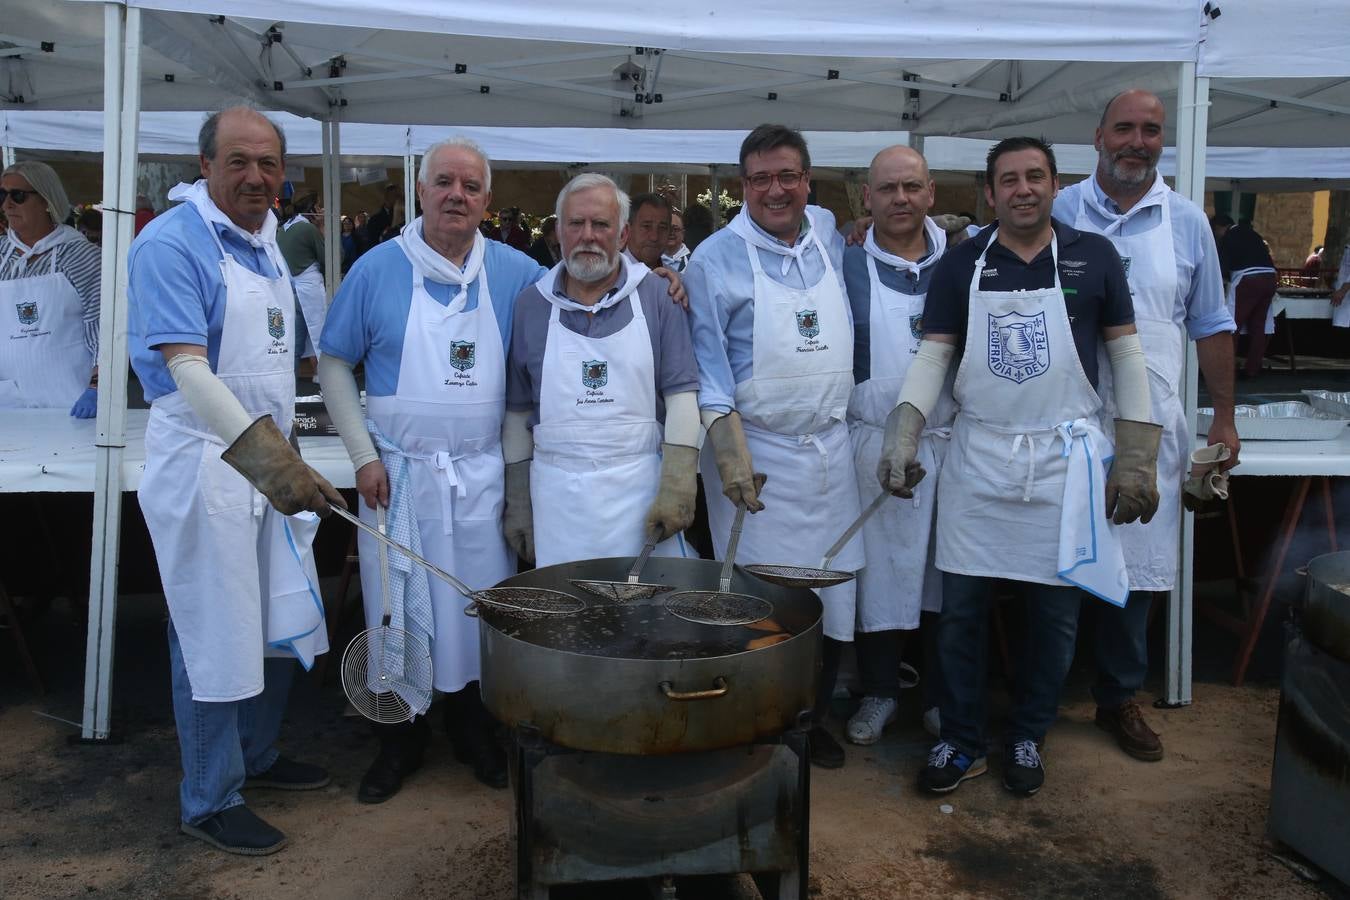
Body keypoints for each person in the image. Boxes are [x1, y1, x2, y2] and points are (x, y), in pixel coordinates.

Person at [893, 136, 1160, 797]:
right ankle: (959, 739)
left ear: (1053, 184)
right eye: (1008, 179)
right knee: (960, 614)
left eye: (1033, 177)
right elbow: (934, 357)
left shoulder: (1093, 257)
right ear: (990, 193)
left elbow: (1126, 357)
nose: (1022, 189)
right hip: (979, 459)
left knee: (1054, 615)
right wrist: (903, 433)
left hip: (1064, 460)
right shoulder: (962, 264)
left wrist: (1136, 455)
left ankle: (1028, 735)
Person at [128, 107, 344, 856]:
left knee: (275, 614)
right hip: (206, 469)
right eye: (239, 161)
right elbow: (188, 369)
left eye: (270, 164)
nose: (256, 176)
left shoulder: (268, 244)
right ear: (206, 164)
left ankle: (258, 757)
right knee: (211, 631)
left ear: (285, 173)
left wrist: (286, 456)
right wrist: (274, 465)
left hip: (266, 461)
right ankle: (210, 797)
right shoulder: (171, 242)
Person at [318, 138, 541, 801]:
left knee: (478, 607)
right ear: (419, 191)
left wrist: (663, 275)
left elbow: (589, 292)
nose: (456, 196)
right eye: (444, 182)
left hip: (482, 478)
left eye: (471, 187)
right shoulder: (377, 269)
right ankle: (400, 739)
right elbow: (334, 363)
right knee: (398, 609)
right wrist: (363, 456)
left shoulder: (518, 272)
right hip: (400, 479)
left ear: (488, 201)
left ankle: (475, 730)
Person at [1055, 90, 1239, 763]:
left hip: (1152, 423)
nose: (1137, 141)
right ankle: (1041, 698)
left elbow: (1213, 323)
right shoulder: (1060, 210)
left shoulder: (1186, 222)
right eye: (1125, 128)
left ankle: (1119, 696)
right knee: (1062, 565)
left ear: (1164, 141)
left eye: (1151, 131)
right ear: (1098, 135)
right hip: (1067, 421)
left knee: (1137, 569)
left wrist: (1223, 416)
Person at [685, 124, 863, 770]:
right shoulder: (712, 260)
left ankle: (811, 718)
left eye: (788, 175)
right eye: (760, 179)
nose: (775, 190)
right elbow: (708, 371)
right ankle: (762, 720)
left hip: (830, 451)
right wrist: (731, 456)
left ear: (808, 181)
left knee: (834, 588)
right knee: (760, 600)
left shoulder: (827, 231)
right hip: (755, 456)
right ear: (741, 188)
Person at [501, 174, 700, 568]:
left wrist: (679, 483)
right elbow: (518, 412)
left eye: (601, 224)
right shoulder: (530, 305)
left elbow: (682, 397)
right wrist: (518, 497)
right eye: (576, 223)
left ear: (622, 234)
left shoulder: (659, 295)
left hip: (641, 497)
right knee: (565, 620)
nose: (588, 235)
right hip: (558, 504)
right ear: (558, 231)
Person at [841, 145, 953, 747]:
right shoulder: (843, 263)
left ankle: (938, 697)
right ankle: (880, 690)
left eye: (912, 187)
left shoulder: (962, 262)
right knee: (880, 572)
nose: (901, 200)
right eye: (887, 189)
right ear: (867, 198)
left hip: (945, 442)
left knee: (943, 572)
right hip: (871, 441)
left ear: (930, 192)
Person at [0, 161, 101, 417]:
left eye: (18, 196)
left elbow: (105, 326)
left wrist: (99, 385)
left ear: (46, 200)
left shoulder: (81, 255)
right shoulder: (2, 255)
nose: (7, 205)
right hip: (10, 402)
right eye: (2, 195)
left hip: (71, 399)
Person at [1211, 213, 1277, 379]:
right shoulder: (1252, 233)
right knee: (1258, 326)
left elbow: (1223, 266)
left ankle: (1228, 368)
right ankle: (1252, 368)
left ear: (1220, 227)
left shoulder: (1228, 238)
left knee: (1233, 325)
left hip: (1247, 279)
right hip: (1269, 277)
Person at [276, 193, 326, 359]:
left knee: (295, 342)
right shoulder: (308, 229)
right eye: (319, 206)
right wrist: (322, 228)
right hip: (310, 290)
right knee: (319, 336)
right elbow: (330, 258)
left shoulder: (283, 229)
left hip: (290, 290)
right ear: (312, 209)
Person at [625, 192, 673, 268]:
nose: (654, 237)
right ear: (627, 229)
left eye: (662, 228)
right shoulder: (609, 277)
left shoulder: (675, 278)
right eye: (646, 226)